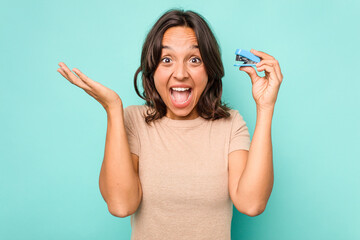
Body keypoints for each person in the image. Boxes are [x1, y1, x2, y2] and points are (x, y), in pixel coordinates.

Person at [57, 8, 283, 240]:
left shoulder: (231, 124)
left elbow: (252, 204)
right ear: (152, 69)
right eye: (167, 59)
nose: (181, 73)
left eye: (194, 60)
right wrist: (113, 109)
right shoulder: (133, 120)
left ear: (210, 70)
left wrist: (266, 108)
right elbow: (120, 205)